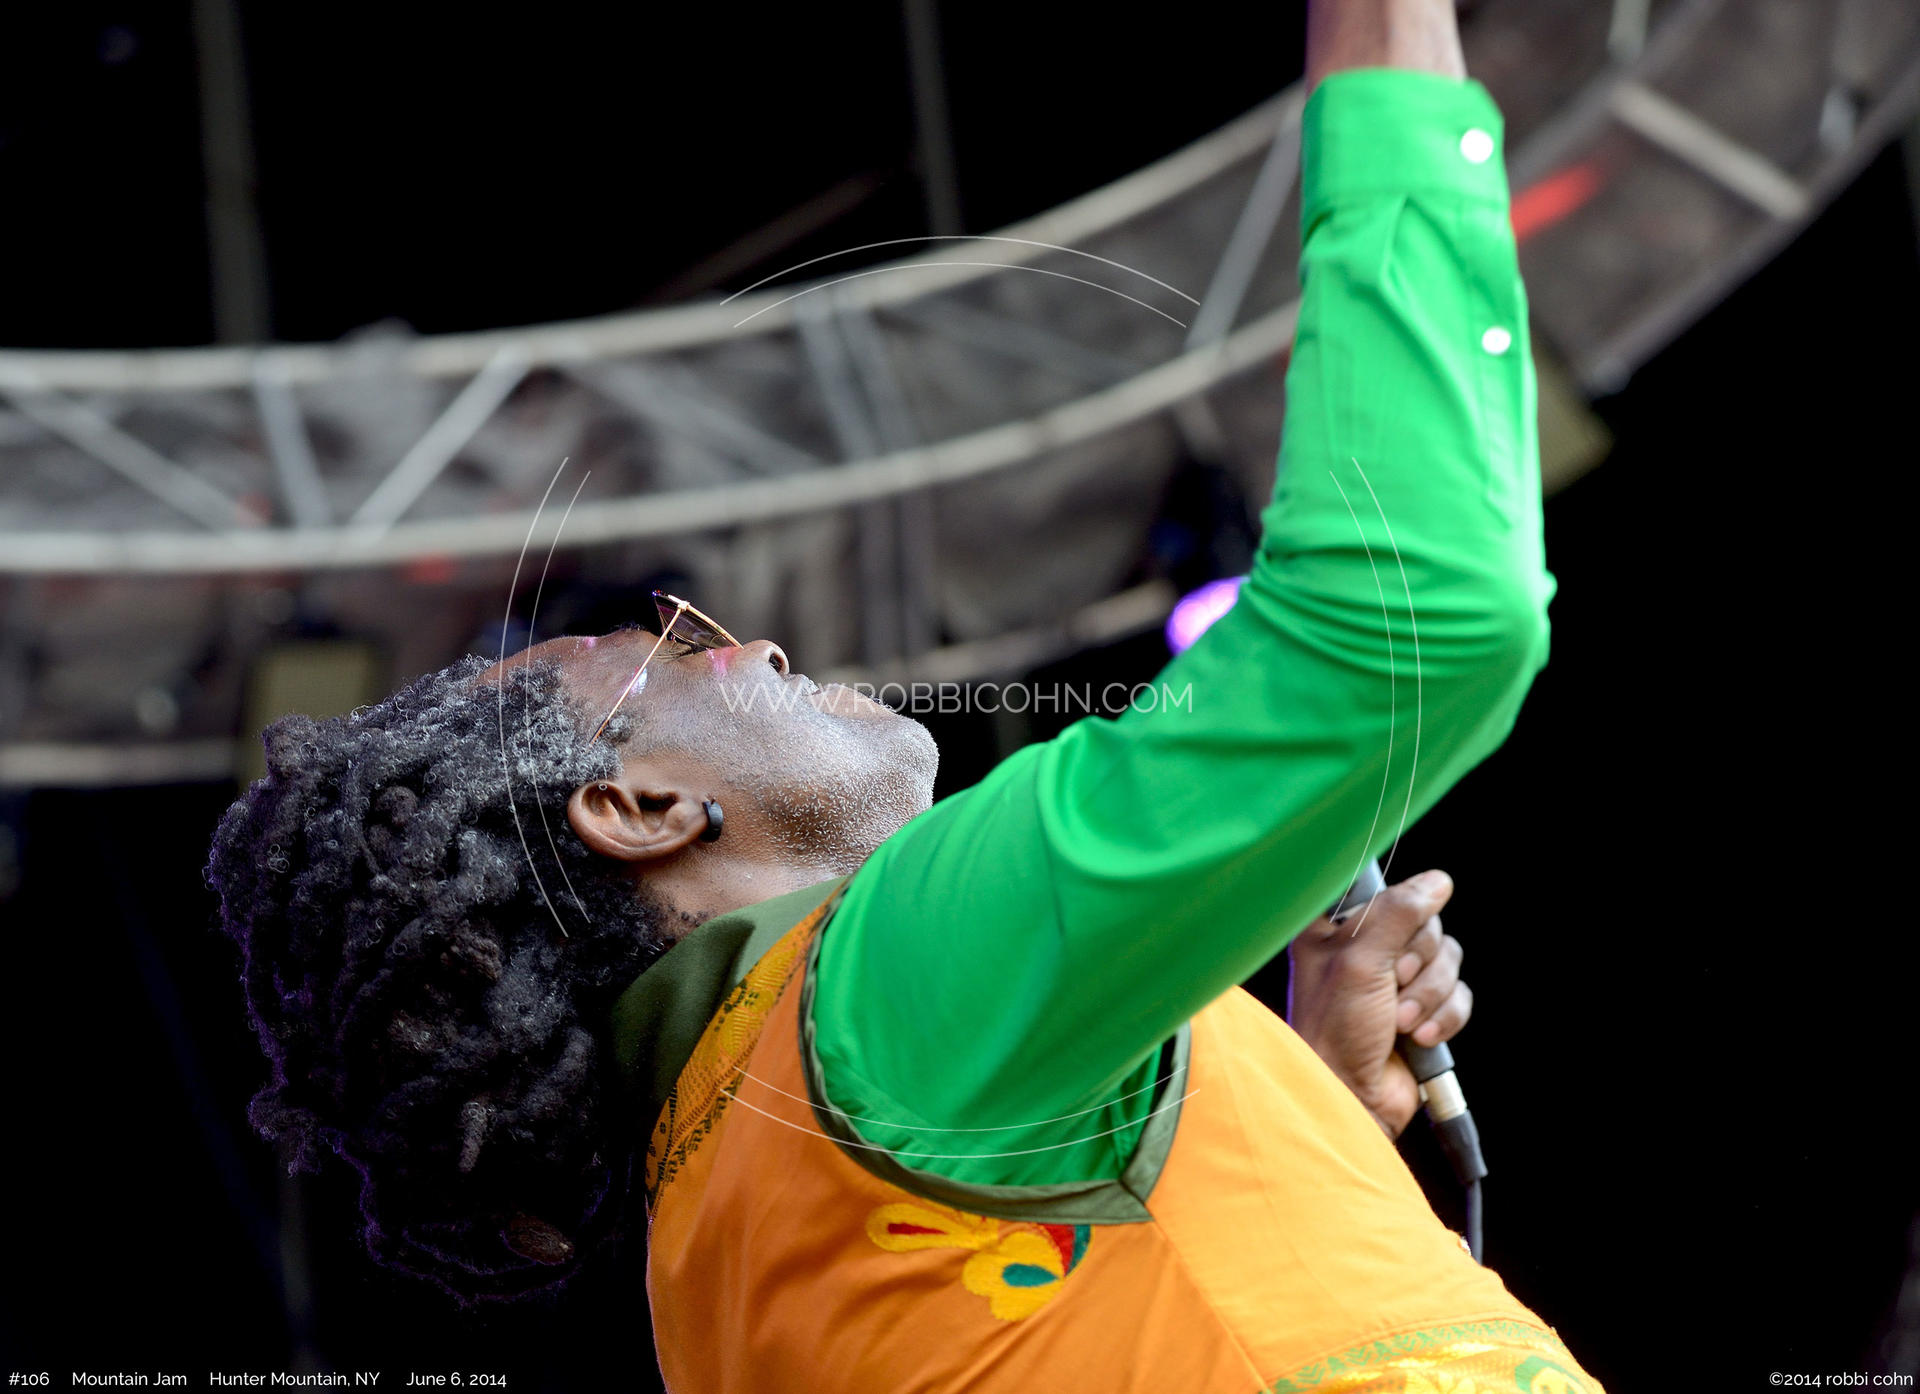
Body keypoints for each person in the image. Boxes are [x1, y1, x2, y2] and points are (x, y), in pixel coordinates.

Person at [207, 0, 1605, 1387]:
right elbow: (1421, 613)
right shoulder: (875, 994)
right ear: (637, 808)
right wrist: (1383, 41)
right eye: (681, 647)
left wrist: (1323, 1107)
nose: (757, 648)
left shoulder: (713, 1285)